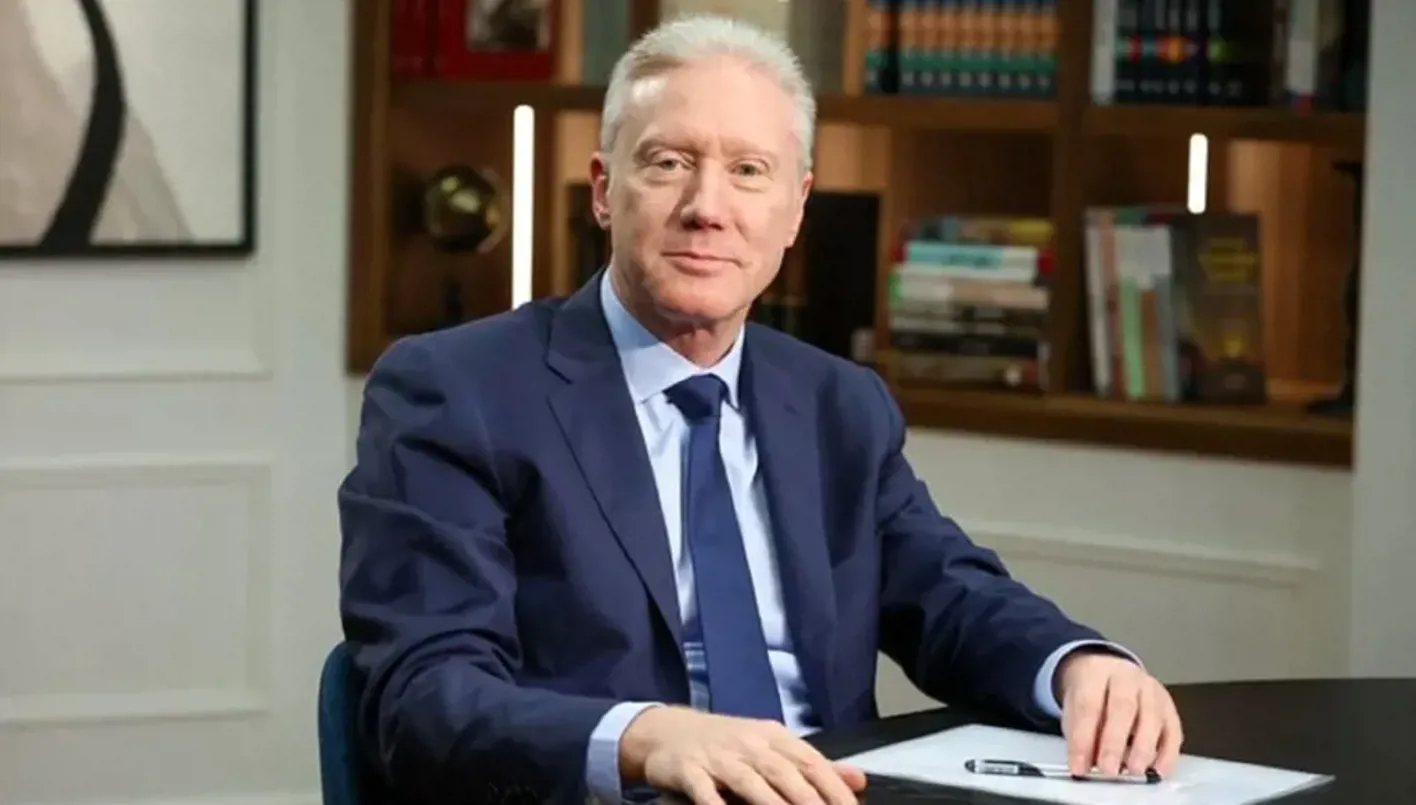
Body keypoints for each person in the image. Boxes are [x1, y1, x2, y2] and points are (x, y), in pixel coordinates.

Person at [338, 13, 1184, 805]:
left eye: (749, 171)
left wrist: (1075, 665)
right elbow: (424, 696)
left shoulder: (836, 403)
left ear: (796, 209)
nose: (707, 208)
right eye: (668, 162)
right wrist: (642, 735)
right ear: (603, 189)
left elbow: (951, 595)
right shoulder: (459, 391)